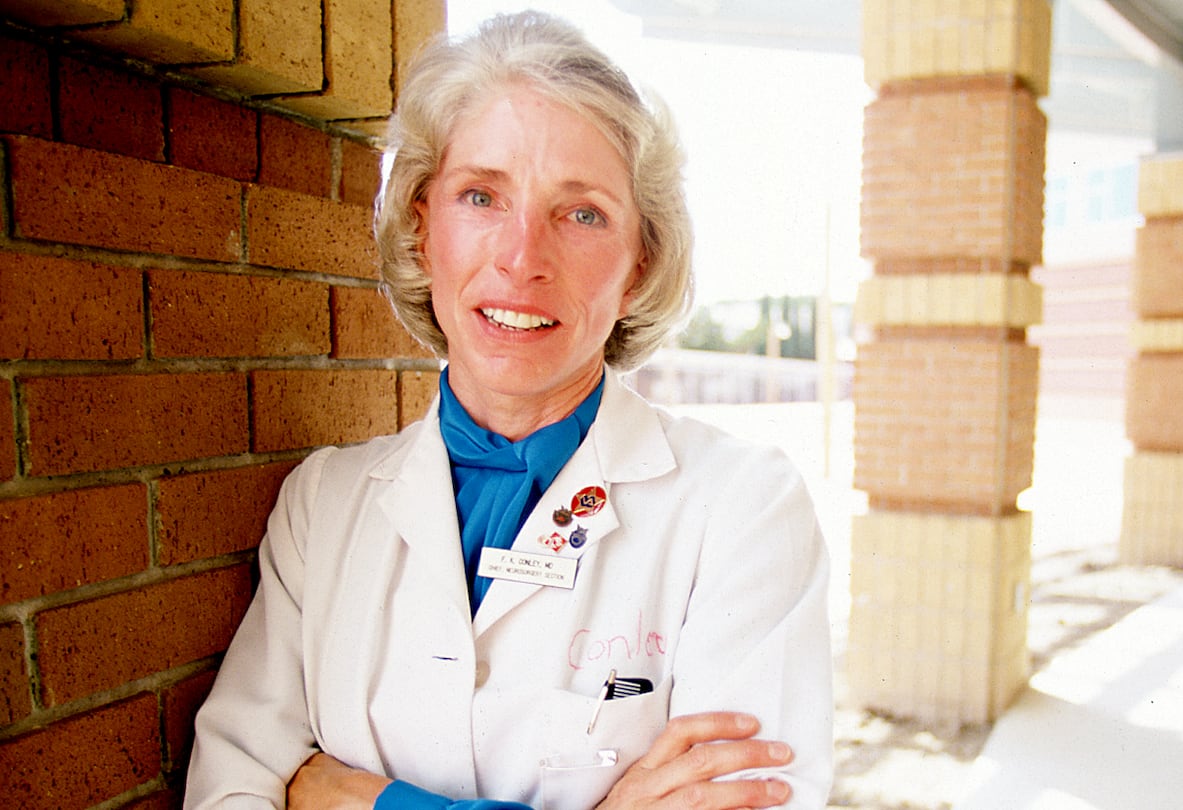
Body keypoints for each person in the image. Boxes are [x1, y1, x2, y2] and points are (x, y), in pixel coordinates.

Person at [184, 10, 832, 810]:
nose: (523, 257)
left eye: (583, 212)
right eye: (481, 196)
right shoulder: (324, 505)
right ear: (422, 229)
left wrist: (360, 798)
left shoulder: (741, 507)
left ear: (640, 264)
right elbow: (229, 792)